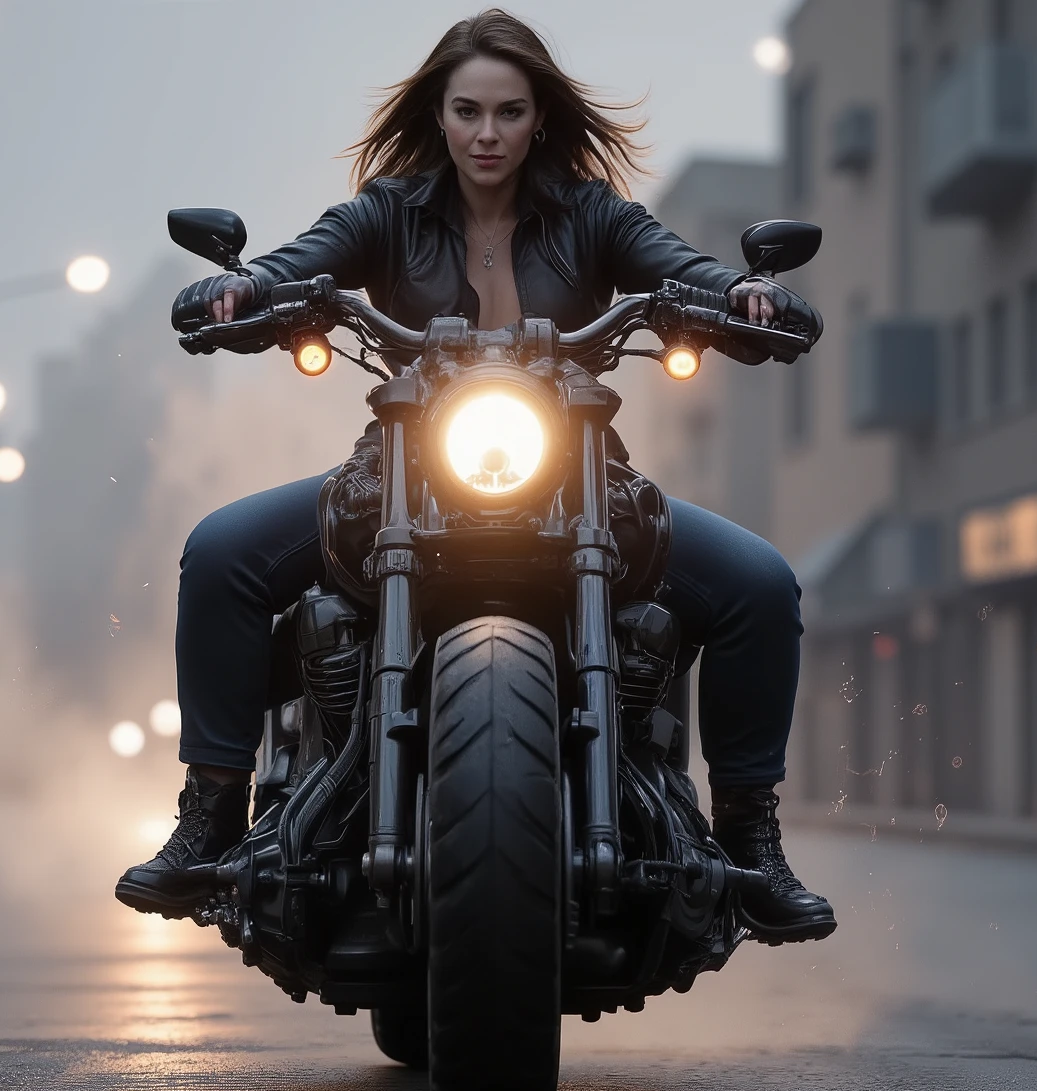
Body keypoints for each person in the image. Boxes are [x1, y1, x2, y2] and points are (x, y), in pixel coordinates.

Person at [116, 9, 836, 943]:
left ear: (539, 117)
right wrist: (246, 288)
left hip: (578, 487)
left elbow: (677, 268)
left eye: (508, 112)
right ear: (441, 116)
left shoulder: (593, 215)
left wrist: (741, 293)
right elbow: (307, 261)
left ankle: (750, 840)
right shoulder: (386, 210)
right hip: (401, 485)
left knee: (759, 583)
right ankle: (209, 815)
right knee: (220, 552)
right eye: (468, 112)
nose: (487, 134)